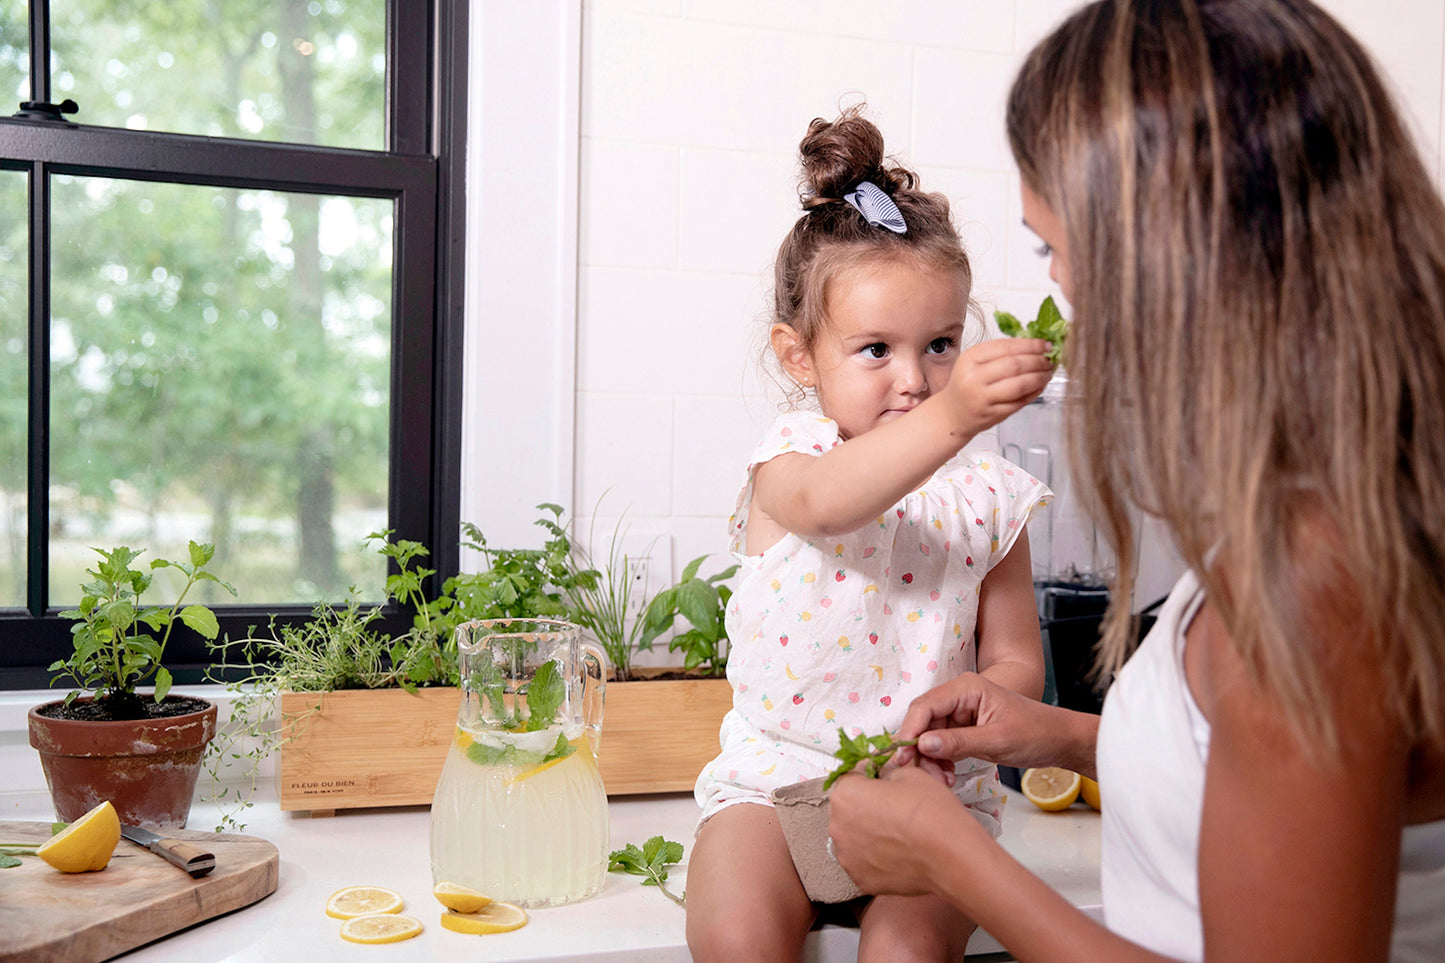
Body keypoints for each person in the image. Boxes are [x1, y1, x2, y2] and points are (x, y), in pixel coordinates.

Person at [826, 1, 1445, 961]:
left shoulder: (1312, 578)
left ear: (1169, 258)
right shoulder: (1323, 496)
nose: (1060, 289)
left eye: (1055, 248)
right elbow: (1261, 777)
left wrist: (949, 858)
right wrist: (1064, 738)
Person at [683, 106, 1056, 963]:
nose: (915, 380)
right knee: (735, 934)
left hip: (930, 797)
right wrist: (958, 413)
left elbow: (1013, 661)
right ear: (799, 355)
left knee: (907, 952)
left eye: (940, 345)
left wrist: (968, 725)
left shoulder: (991, 496)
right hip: (774, 781)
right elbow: (831, 506)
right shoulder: (791, 461)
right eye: (874, 349)